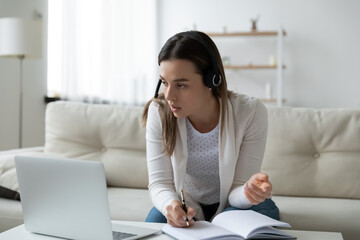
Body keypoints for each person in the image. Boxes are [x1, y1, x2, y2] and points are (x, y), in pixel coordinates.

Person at [142, 30, 279, 228]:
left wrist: (248, 191)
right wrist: (170, 206)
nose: (169, 95)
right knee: (155, 221)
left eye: (181, 85)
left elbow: (236, 190)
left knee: (244, 220)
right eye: (164, 83)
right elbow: (159, 183)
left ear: (211, 80)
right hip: (186, 202)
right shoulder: (159, 112)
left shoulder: (250, 112)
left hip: (237, 205)